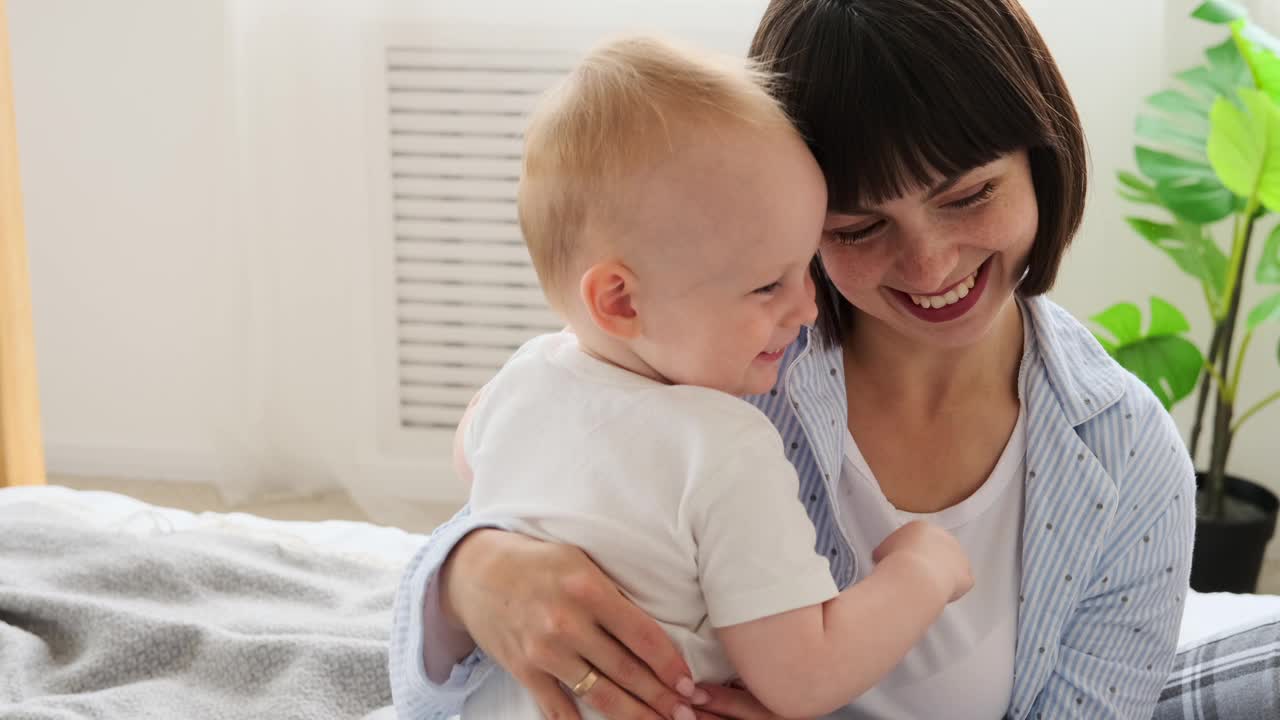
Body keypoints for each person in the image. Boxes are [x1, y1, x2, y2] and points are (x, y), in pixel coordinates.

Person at [390, 1, 1199, 718]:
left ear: (1041, 159)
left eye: (968, 196)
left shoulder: (1125, 463)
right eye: (857, 229)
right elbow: (501, 537)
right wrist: (470, 579)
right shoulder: (715, 359)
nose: (929, 266)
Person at [448, 34, 974, 720]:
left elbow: (468, 459)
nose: (807, 308)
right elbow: (805, 677)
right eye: (765, 286)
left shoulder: (519, 381)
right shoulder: (725, 448)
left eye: (805, 268)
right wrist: (923, 569)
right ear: (621, 301)